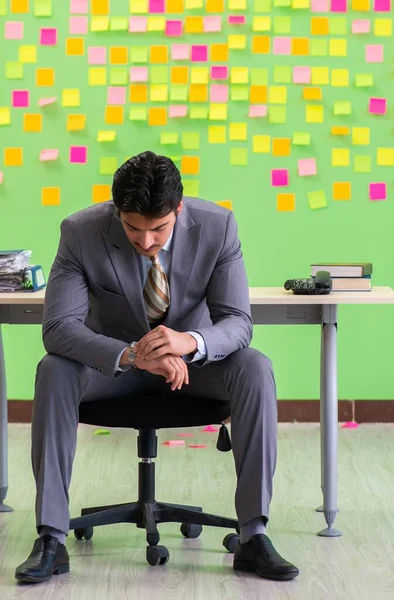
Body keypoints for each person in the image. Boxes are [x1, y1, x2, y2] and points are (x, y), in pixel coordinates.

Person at [15, 151, 299, 584]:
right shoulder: (80, 232)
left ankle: (254, 536)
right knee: (54, 369)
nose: (146, 241)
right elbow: (58, 328)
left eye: (158, 229)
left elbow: (238, 323)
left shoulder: (218, 227)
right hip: (113, 369)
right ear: (116, 212)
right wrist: (133, 353)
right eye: (132, 228)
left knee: (255, 367)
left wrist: (188, 342)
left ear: (178, 210)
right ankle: (51, 539)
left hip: (192, 370)